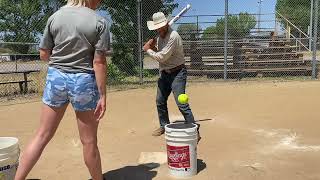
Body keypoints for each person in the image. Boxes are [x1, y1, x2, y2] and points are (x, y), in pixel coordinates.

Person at [14, 0, 109, 180]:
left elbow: (44, 54)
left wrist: (61, 66)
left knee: (42, 135)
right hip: (83, 81)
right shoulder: (99, 21)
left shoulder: (55, 17)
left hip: (56, 77)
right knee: (89, 141)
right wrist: (102, 95)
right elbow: (99, 62)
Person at [143, 12, 200, 140]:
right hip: (165, 73)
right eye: (156, 28)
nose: (158, 29)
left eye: (161, 26)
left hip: (178, 73)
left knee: (181, 103)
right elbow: (161, 53)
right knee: (160, 101)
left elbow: (162, 57)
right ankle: (164, 125)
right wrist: (154, 46)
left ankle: (194, 130)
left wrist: (148, 49)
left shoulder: (174, 36)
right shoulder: (159, 37)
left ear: (167, 24)